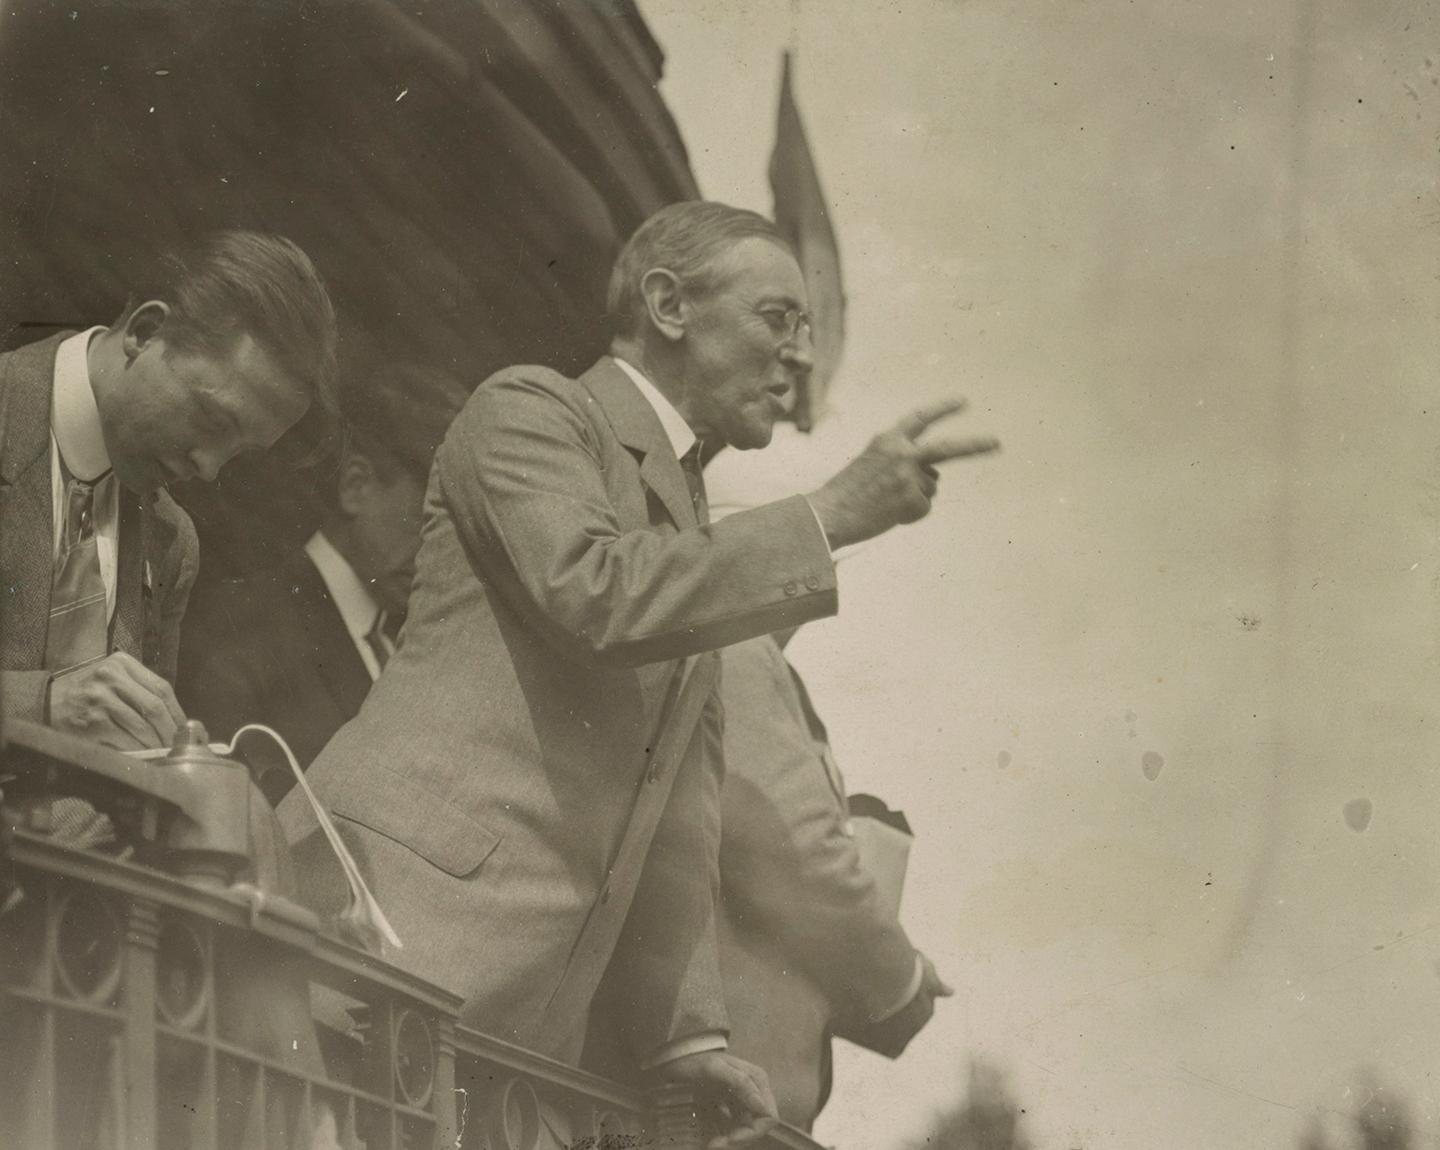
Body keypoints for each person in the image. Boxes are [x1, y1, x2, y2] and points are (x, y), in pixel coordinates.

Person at [279, 200, 995, 1147]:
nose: (799, 357)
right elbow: (594, 593)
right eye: (777, 319)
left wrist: (686, 1036)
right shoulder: (530, 410)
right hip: (373, 930)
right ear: (667, 304)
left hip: (504, 1015)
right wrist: (831, 516)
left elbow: (681, 815)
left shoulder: (685, 522)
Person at [0, 229, 337, 754]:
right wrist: (41, 707)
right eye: (211, 418)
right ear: (145, 331)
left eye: (239, 452)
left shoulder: (174, 542)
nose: (208, 468)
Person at [178, 362, 464, 804]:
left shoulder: (409, 647)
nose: (441, 557)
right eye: (429, 524)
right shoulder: (237, 624)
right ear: (356, 485)